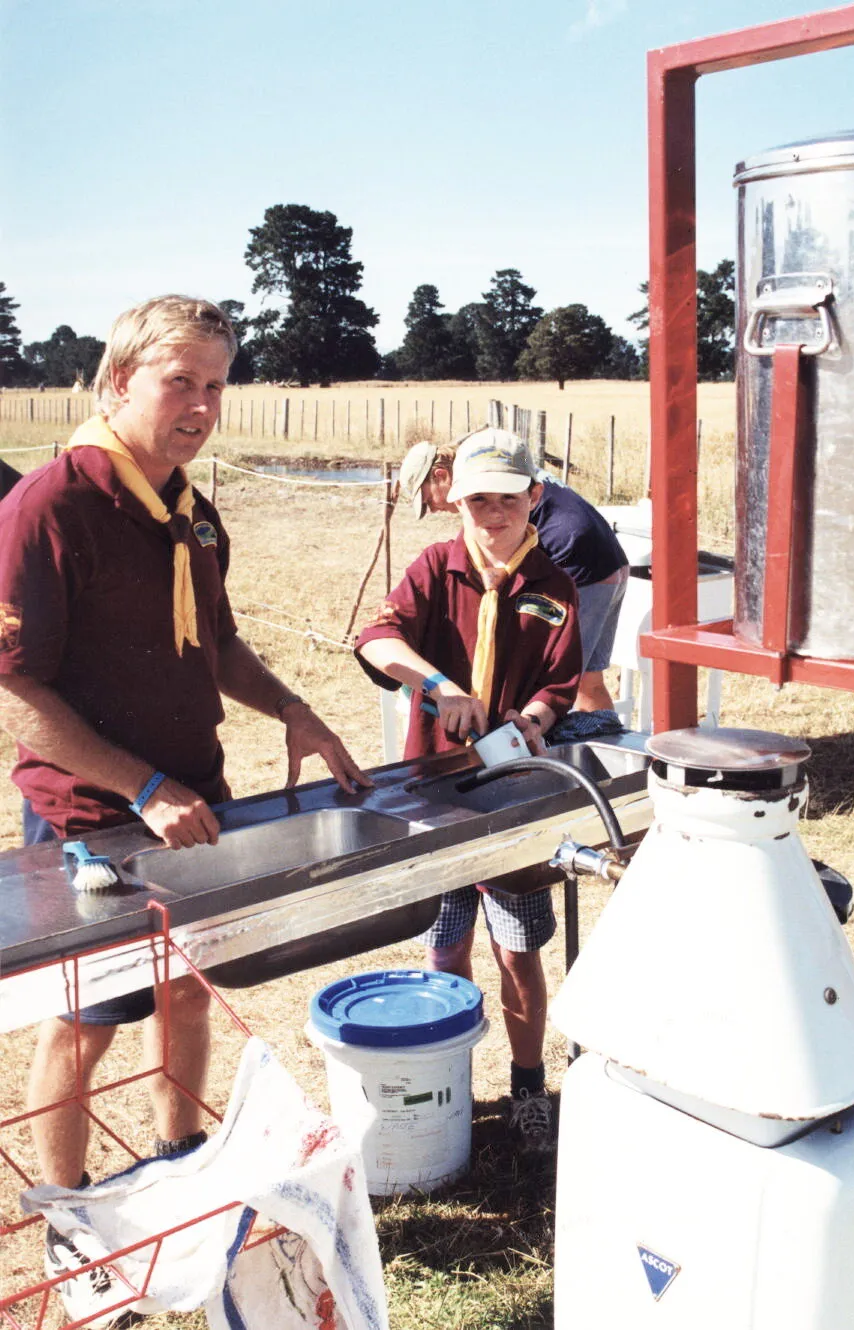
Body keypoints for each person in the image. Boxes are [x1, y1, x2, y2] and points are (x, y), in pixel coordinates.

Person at [0, 295, 370, 1326]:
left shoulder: (192, 510)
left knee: (188, 994)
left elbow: (219, 645)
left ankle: (180, 1168)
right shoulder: (49, 505)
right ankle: (72, 1227)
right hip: (93, 820)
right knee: (83, 1024)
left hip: (193, 807)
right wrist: (142, 788)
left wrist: (294, 710)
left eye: (216, 382)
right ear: (116, 382)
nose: (202, 403)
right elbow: (20, 691)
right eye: (181, 381)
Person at [356, 432, 581, 1157]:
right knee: (444, 942)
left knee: (516, 949)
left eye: (507, 499)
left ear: (533, 499)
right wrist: (438, 686)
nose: (491, 514)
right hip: (437, 792)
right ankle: (443, 1073)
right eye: (477, 499)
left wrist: (533, 721)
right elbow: (375, 639)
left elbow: (559, 683)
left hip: (512, 795)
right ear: (453, 500)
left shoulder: (552, 585)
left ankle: (526, 1086)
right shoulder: (434, 567)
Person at [398, 426, 629, 713]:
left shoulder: (483, 478)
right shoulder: (504, 463)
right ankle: (599, 746)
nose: (433, 509)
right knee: (589, 679)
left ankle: (568, 750)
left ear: (441, 477)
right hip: (609, 559)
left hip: (576, 561)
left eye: (427, 500)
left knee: (562, 682)